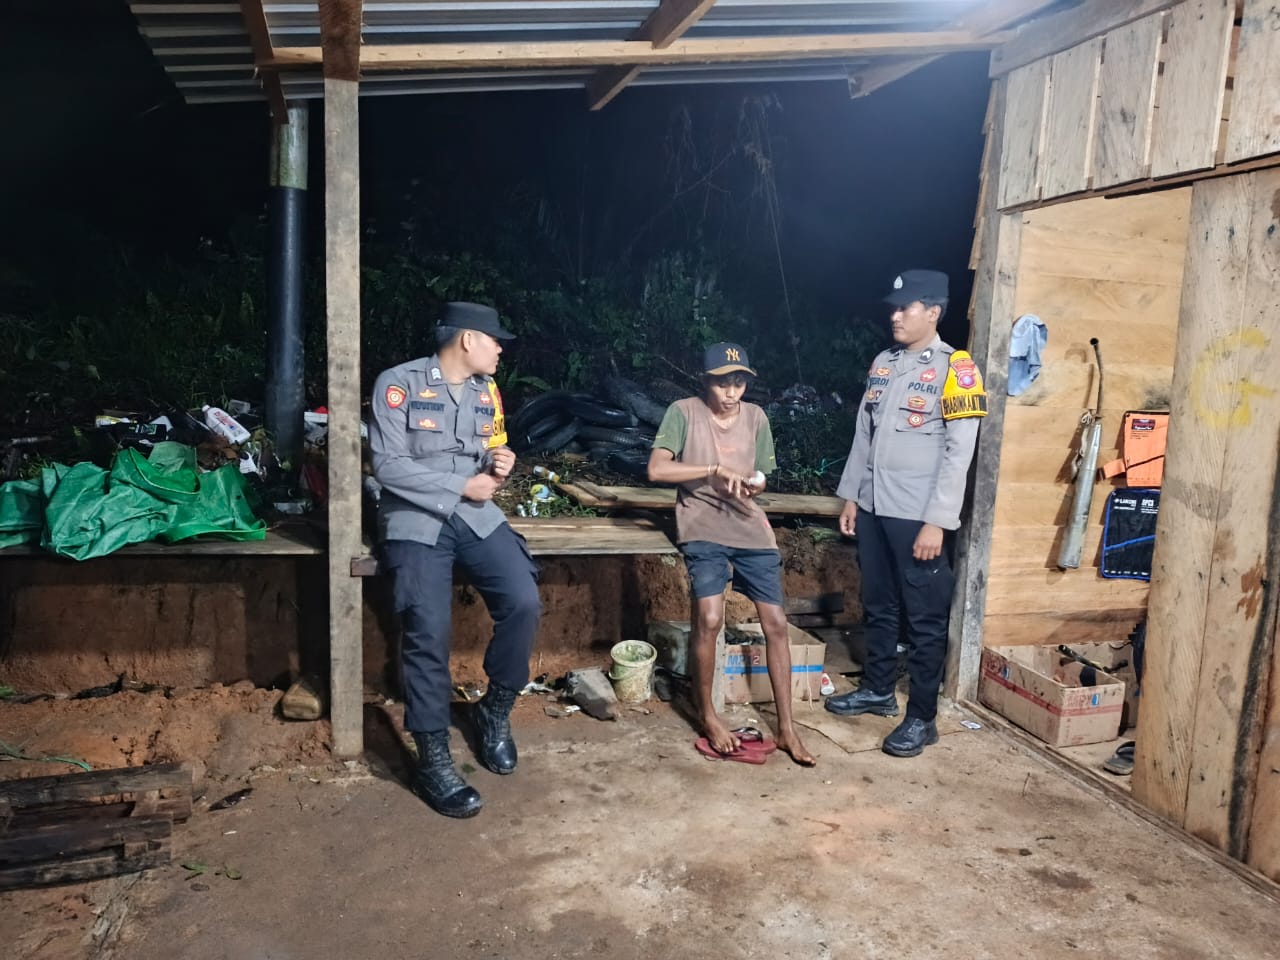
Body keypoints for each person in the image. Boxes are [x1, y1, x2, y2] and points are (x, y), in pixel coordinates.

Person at [368, 301, 541, 818]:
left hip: (475, 515)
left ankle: (495, 709)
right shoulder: (397, 384)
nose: (500, 348)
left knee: (523, 601)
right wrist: (461, 485)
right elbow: (387, 466)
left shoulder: (486, 390)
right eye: (494, 339)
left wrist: (499, 463)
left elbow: (489, 450)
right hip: (415, 517)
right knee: (427, 629)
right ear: (468, 339)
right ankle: (434, 758)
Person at [824, 270, 986, 757]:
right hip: (875, 506)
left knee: (924, 617)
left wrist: (938, 520)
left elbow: (960, 452)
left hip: (918, 516)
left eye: (905, 307)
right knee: (878, 603)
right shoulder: (884, 363)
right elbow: (864, 434)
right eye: (893, 307)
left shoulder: (957, 369)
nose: (895, 315)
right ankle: (877, 690)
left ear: (933, 312)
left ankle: (921, 717)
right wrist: (853, 497)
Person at [647, 342, 816, 767]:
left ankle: (787, 728)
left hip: (748, 525)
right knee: (709, 618)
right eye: (723, 383)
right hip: (701, 524)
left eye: (739, 383)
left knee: (776, 623)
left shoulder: (756, 417)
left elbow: (762, 475)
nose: (731, 392)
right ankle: (708, 715)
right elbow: (657, 469)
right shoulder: (684, 412)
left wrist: (755, 483)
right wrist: (711, 470)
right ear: (706, 381)